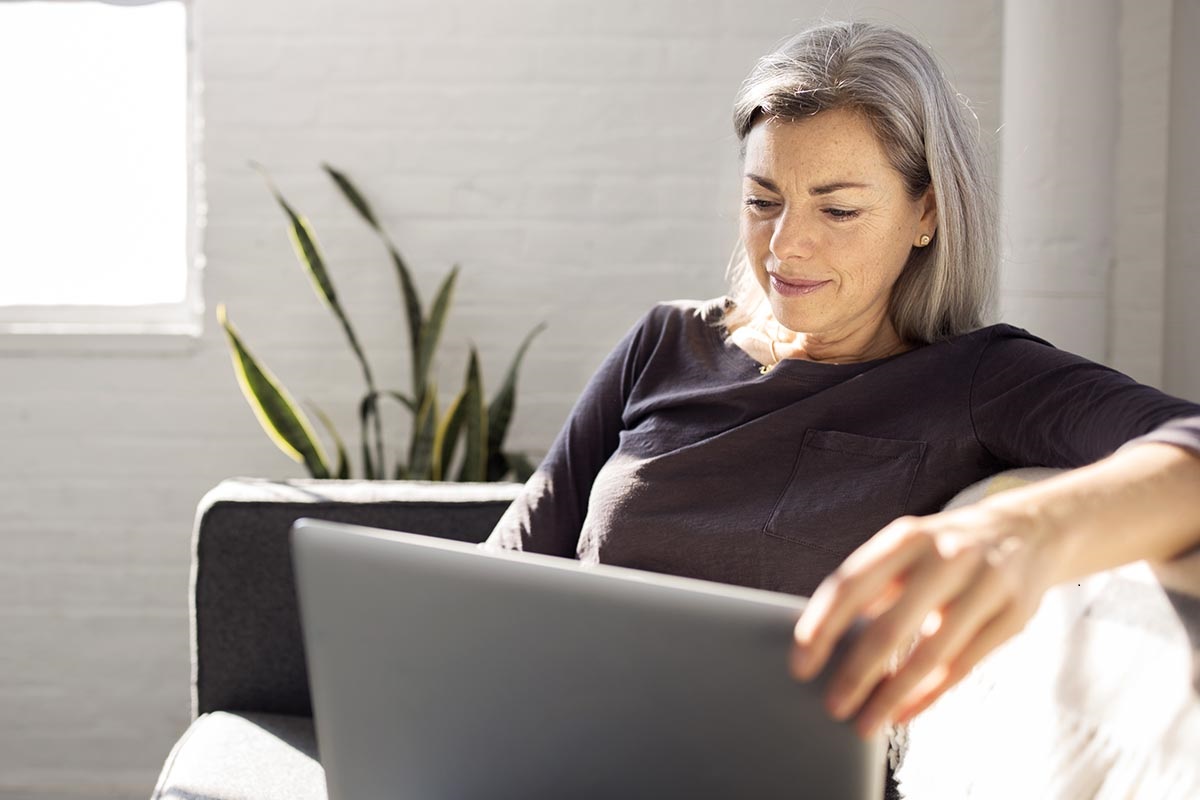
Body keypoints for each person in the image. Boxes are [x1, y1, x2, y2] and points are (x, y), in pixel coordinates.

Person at [485, 18, 1200, 796]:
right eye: (764, 200)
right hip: (558, 762)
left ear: (926, 212)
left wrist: (1029, 531)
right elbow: (499, 583)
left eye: (838, 211)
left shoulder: (978, 378)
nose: (786, 247)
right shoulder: (664, 342)